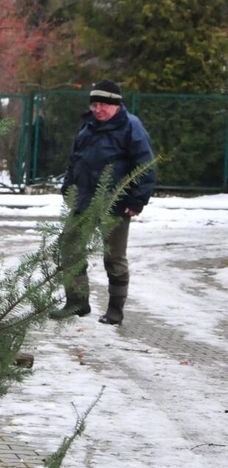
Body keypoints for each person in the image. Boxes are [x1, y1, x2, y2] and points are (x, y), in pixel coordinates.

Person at [52, 79, 155, 326]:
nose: (98, 109)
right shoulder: (87, 125)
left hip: (115, 204)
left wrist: (137, 200)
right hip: (83, 201)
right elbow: (75, 159)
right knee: (70, 248)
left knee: (114, 258)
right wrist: (69, 187)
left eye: (103, 105)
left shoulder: (131, 127)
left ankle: (115, 310)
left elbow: (146, 166)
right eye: (94, 104)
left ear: (116, 105)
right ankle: (77, 302)